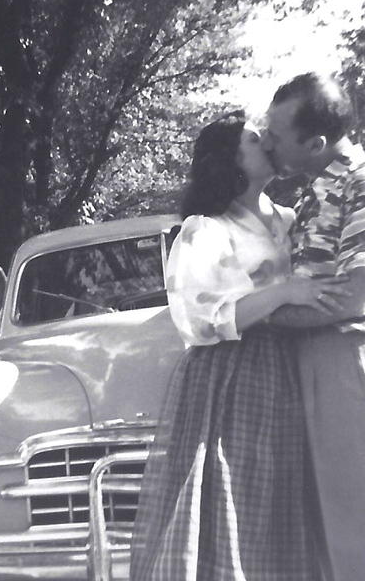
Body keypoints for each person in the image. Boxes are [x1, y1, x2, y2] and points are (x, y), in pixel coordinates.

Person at [130, 110, 348, 581]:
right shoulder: (206, 229)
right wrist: (283, 291)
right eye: (254, 138)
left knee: (293, 493)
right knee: (240, 494)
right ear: (231, 159)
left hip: (295, 365)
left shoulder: (289, 218)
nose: (268, 141)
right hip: (234, 375)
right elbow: (202, 320)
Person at [262, 72, 365, 581]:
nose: (267, 141)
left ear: (316, 143)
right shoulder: (313, 193)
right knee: (325, 533)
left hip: (353, 363)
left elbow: (355, 296)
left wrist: (260, 318)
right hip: (316, 360)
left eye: (277, 134)